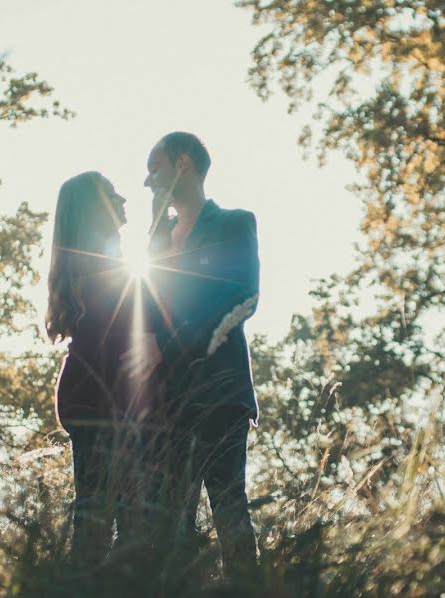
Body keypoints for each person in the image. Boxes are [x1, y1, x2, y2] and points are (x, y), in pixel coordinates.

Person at [143, 132, 260, 578]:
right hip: (167, 400)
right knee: (172, 520)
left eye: (154, 168)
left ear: (183, 164)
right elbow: (148, 304)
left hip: (220, 389)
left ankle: (248, 589)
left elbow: (243, 297)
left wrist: (166, 342)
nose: (147, 180)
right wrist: (155, 234)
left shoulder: (234, 224)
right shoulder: (159, 238)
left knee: (230, 506)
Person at [45, 171, 145, 569]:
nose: (123, 200)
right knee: (111, 521)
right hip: (102, 400)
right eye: (111, 194)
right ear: (93, 210)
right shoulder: (103, 268)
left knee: (106, 518)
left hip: (94, 398)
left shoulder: (92, 267)